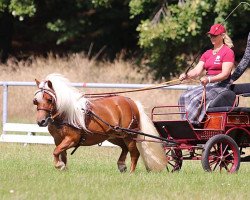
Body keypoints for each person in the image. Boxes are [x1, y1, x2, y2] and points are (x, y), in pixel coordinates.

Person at [178, 24, 235, 125]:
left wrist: (209, 80)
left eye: (215, 35)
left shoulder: (228, 52)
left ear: (222, 36)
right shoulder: (207, 53)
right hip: (207, 84)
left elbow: (225, 74)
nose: (212, 38)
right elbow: (196, 71)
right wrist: (186, 75)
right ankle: (184, 124)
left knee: (196, 99)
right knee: (183, 96)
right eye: (211, 35)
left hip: (221, 85)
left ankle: (191, 124)